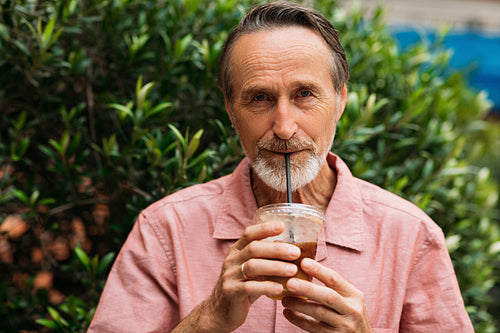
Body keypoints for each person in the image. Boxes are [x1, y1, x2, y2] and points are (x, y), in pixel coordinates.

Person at [88, 1, 474, 332]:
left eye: (305, 94)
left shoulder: (411, 237)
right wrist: (209, 318)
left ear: (340, 100)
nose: (285, 127)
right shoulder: (165, 230)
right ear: (230, 109)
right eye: (259, 98)